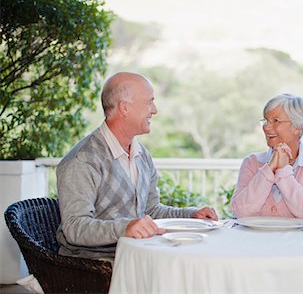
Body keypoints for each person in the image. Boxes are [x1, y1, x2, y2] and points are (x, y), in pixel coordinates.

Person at [56, 72, 217, 261]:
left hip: (136, 255)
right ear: (124, 108)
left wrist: (191, 215)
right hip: (94, 265)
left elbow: (150, 211)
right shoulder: (82, 160)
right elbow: (75, 228)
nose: (154, 110)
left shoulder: (142, 155)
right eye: (149, 102)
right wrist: (125, 228)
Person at [231, 93, 303, 224]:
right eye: (266, 120)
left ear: (298, 127)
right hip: (257, 242)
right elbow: (240, 212)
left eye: (276, 121)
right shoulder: (251, 162)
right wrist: (269, 169)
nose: (266, 127)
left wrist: (283, 170)